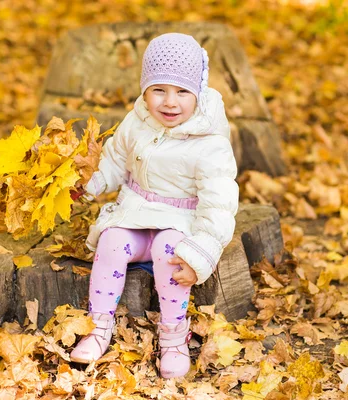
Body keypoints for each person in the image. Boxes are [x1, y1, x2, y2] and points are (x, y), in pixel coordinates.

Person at [70, 33, 239, 379]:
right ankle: (99, 325)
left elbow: (219, 206)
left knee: (170, 252)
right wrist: (92, 184)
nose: (170, 102)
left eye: (182, 92)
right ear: (145, 90)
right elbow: (116, 160)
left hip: (180, 223)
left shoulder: (210, 143)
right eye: (159, 90)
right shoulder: (137, 122)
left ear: (198, 93)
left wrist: (202, 253)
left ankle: (174, 336)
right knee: (111, 241)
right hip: (134, 215)